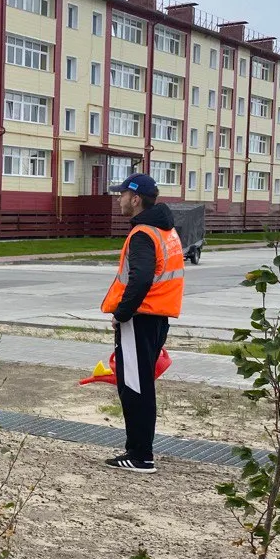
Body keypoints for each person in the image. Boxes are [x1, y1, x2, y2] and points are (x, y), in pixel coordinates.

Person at [100, 173, 184, 474]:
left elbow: (141, 279)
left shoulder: (143, 234)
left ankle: (139, 455)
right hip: (157, 316)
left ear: (135, 198)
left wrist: (122, 313)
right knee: (140, 385)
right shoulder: (166, 231)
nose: (118, 199)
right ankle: (139, 452)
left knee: (134, 387)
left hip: (140, 318)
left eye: (121, 194)